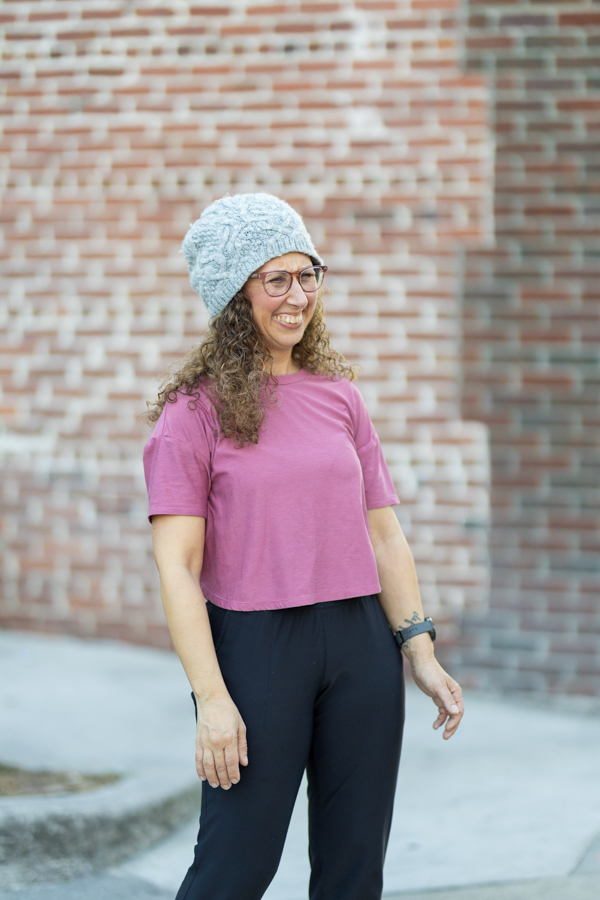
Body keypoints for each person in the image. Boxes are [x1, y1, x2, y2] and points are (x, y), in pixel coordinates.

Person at [143, 193, 464, 900]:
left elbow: (384, 533)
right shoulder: (192, 414)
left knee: (355, 870)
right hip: (257, 651)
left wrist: (419, 649)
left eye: (308, 274)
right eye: (276, 279)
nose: (298, 296)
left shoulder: (339, 396)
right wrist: (212, 699)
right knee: (235, 869)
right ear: (235, 293)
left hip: (360, 646)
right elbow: (177, 567)